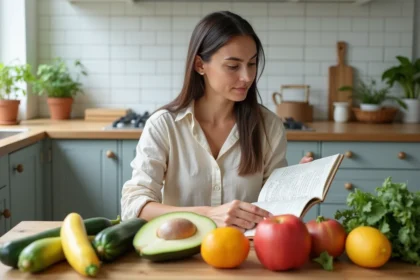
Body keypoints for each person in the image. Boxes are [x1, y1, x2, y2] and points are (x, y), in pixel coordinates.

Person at [121, 11, 313, 232]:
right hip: (180, 255)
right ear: (200, 65)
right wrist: (208, 215)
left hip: (245, 256)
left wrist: (295, 194)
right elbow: (133, 206)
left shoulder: (269, 127)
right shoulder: (164, 126)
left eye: (252, 64)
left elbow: (271, 211)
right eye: (233, 66)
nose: (247, 77)